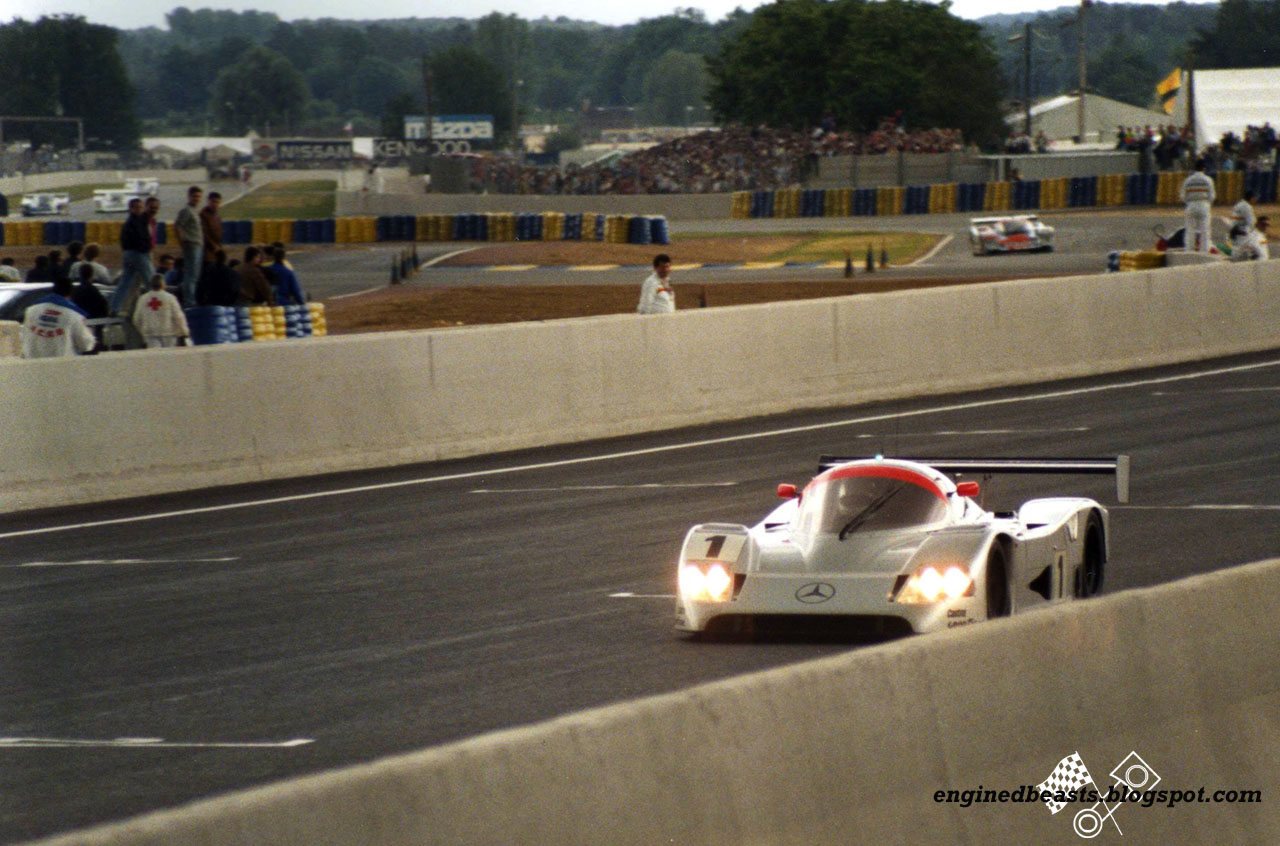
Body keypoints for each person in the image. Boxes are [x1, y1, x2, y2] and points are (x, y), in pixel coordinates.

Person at [21, 275, 96, 358]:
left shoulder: (31, 310)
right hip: (60, 365)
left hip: (32, 363)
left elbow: (25, 336)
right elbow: (86, 344)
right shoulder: (74, 314)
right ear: (71, 293)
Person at [112, 197, 154, 315]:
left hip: (127, 254)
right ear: (131, 209)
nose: (139, 210)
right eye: (137, 208)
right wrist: (146, 249)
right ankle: (156, 305)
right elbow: (142, 238)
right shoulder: (136, 222)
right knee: (150, 280)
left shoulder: (128, 222)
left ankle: (115, 307)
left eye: (141, 207)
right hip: (138, 253)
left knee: (125, 281)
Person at [131, 273, 190, 348]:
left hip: (150, 333)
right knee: (169, 356)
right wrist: (184, 331)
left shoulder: (143, 298)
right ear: (163, 284)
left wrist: (143, 331)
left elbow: (136, 319)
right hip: (168, 333)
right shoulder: (170, 298)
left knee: (155, 357)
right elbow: (178, 316)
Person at [174, 185, 204, 306]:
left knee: (194, 275)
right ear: (189, 196)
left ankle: (189, 299)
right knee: (191, 276)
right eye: (194, 196)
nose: (196, 199)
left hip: (197, 246)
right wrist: (182, 243)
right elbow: (177, 226)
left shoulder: (195, 211)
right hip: (191, 246)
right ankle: (189, 302)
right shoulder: (186, 211)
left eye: (198, 197)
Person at [1180, 158, 1216, 253]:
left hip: (1191, 205)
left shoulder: (1187, 180)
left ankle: (1189, 251)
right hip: (1203, 204)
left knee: (1190, 229)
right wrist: (1207, 203)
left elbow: (1183, 196)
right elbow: (1212, 196)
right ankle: (1204, 251)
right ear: (1204, 168)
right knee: (1205, 230)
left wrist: (1189, 202)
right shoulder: (1208, 180)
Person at [200, 191, 224, 259]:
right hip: (206, 250)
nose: (215, 204)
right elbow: (204, 234)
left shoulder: (217, 216)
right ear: (208, 201)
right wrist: (214, 246)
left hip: (217, 248)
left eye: (217, 202)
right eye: (213, 202)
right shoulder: (203, 215)